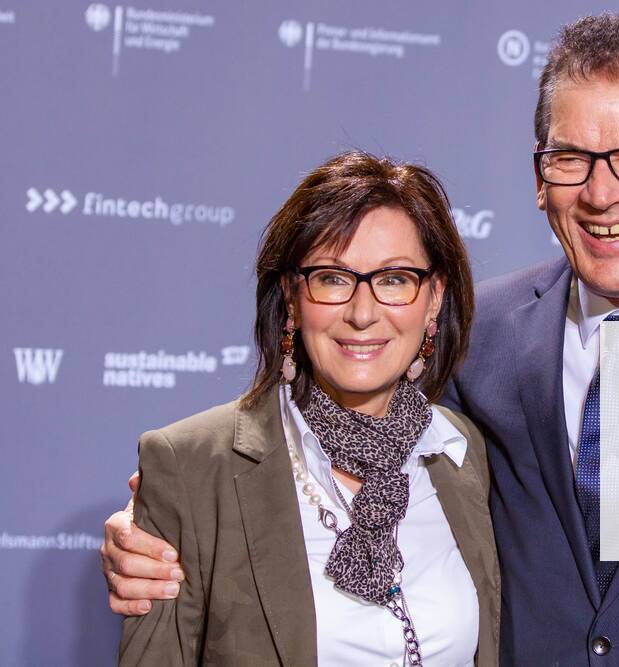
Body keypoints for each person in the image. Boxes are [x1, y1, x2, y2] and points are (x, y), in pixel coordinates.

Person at [103, 13, 619, 666]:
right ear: (538, 177)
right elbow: (342, 435)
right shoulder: (484, 338)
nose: (601, 192)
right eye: (570, 159)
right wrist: (163, 533)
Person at [113, 151, 499, 666]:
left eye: (394, 279)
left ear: (433, 298)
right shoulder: (193, 467)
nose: (363, 313)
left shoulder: (459, 450)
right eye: (333, 278)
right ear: (292, 297)